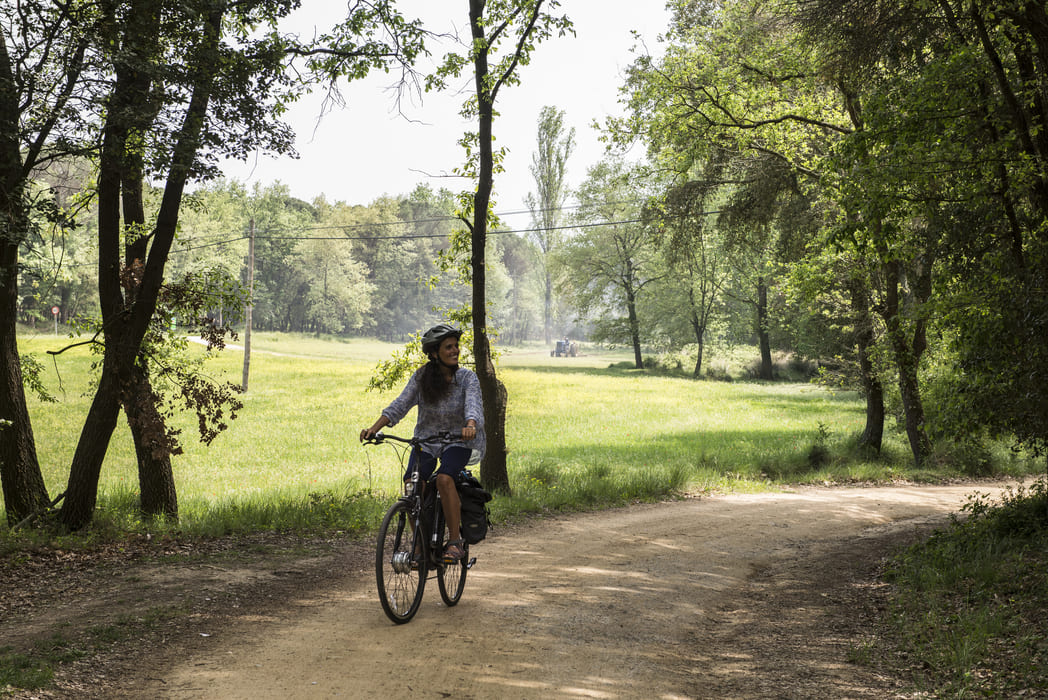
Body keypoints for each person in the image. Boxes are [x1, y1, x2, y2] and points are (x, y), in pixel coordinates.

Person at [360, 324, 484, 561]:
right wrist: (374, 429)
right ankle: (420, 543)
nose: (455, 350)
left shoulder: (467, 378)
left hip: (458, 441)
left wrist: (470, 425)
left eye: (456, 346)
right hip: (426, 441)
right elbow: (400, 404)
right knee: (412, 483)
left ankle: (455, 542)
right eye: (449, 347)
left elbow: (474, 406)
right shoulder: (422, 377)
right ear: (435, 352)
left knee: (446, 479)